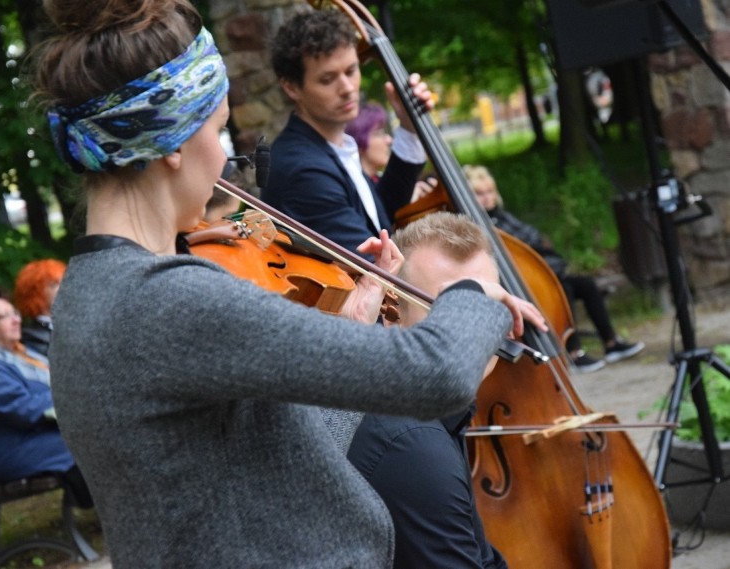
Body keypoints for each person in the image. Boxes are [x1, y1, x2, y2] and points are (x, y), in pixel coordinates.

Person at [34, 1, 544, 566]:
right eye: (220, 129)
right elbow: (438, 375)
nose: (226, 157)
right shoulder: (167, 299)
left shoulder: (90, 291)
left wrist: (348, 329)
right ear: (173, 144)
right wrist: (471, 295)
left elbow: (246, 461)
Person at [347, 212, 509, 569]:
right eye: (450, 306)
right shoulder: (413, 443)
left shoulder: (431, 413)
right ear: (391, 314)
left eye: (485, 302)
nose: (473, 324)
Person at [263, 10, 431, 257]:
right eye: (328, 79)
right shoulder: (304, 171)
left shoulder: (329, 146)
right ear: (291, 87)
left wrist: (408, 127)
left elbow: (379, 216)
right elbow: (373, 267)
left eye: (351, 71)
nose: (347, 88)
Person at [464, 165, 644, 372]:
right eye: (479, 193)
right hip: (515, 282)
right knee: (563, 288)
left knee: (586, 285)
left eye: (489, 192)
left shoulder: (502, 216)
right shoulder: (478, 225)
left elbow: (531, 240)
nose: (487, 198)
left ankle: (611, 343)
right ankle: (573, 352)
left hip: (535, 272)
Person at [0, 286, 92, 507]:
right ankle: (113, 510)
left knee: (98, 432)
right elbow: (23, 410)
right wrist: (71, 396)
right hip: (13, 450)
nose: (16, 320)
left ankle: (113, 508)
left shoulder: (23, 354)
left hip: (36, 438)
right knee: (89, 440)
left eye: (15, 313)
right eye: (5, 316)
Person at [345, 101, 436, 204]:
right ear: (357, 141)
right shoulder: (352, 192)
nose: (389, 140)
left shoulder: (381, 181)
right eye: (379, 134)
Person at [14, 258, 66, 356]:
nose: (63, 288)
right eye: (53, 285)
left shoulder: (72, 326)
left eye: (63, 282)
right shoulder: (28, 338)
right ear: (35, 293)